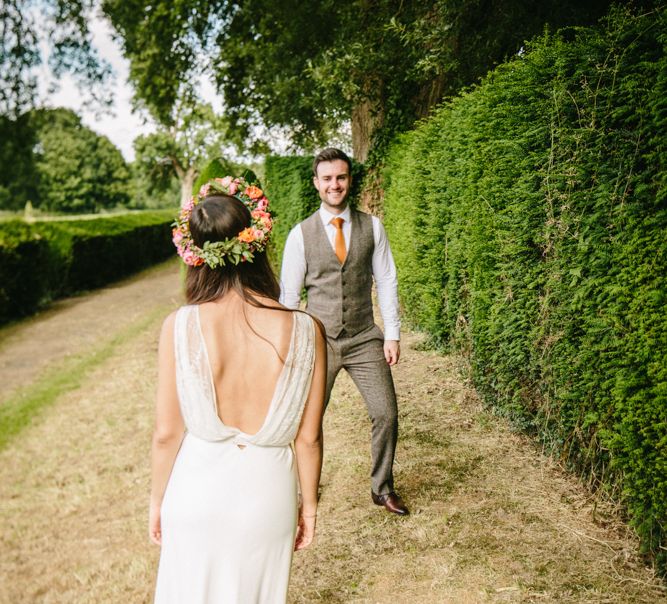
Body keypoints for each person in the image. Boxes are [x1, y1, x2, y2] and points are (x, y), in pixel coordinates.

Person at [149, 177, 327, 603]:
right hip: (268, 499)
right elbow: (309, 437)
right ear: (259, 245)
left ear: (195, 255)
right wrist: (309, 508)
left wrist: (157, 501)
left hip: (194, 495)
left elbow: (166, 435)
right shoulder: (307, 329)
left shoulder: (181, 325)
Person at [280, 148, 409, 516]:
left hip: (364, 336)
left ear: (349, 179)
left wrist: (393, 334)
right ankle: (300, 492)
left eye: (340, 177)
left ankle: (381, 488)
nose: (334, 184)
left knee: (386, 412)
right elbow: (289, 297)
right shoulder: (300, 235)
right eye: (327, 178)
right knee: (307, 420)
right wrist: (291, 347)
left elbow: (386, 280)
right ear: (316, 183)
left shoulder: (373, 227)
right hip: (319, 339)